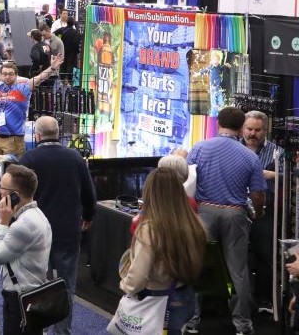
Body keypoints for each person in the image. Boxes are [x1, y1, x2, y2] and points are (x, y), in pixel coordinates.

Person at [186, 107, 267, 335]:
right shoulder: (250, 156)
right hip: (235, 213)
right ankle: (243, 325)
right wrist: (258, 212)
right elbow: (258, 194)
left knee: (198, 265)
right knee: (237, 271)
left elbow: (187, 181)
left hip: (204, 212)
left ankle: (191, 321)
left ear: (218, 123)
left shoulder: (199, 148)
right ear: (241, 128)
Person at [18, 116, 96, 335]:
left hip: (35, 232)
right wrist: (88, 216)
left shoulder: (29, 159)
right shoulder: (75, 157)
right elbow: (89, 193)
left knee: (36, 286)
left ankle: (38, 329)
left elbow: (16, 196)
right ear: (58, 132)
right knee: (66, 285)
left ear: (37, 135)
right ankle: (63, 332)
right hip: (67, 231)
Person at [118, 168, 207, 335]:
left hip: (157, 301)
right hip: (185, 296)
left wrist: (125, 285)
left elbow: (137, 278)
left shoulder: (150, 230)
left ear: (150, 193)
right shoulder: (195, 224)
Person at [0, 164, 53, 335]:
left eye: (2, 188)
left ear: (15, 196)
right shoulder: (37, 215)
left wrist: (3, 222)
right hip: (30, 294)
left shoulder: (25, 224)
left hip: (20, 299)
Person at [242, 110, 279, 310]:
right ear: (242, 128)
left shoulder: (276, 152)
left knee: (265, 254)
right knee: (235, 255)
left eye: (257, 130)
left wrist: (272, 174)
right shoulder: (234, 148)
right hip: (238, 207)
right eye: (249, 129)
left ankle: (264, 299)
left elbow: (291, 176)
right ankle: (233, 300)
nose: (252, 134)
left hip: (264, 208)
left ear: (265, 130)